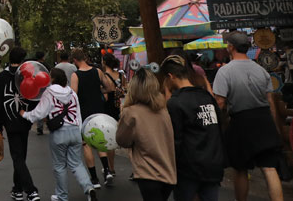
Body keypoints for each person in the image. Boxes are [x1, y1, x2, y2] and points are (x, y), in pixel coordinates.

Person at [212, 31, 284, 201]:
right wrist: (275, 126)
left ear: (231, 47)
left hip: (241, 122)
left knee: (241, 168)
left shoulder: (225, 72)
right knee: (269, 168)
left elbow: (220, 102)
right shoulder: (261, 70)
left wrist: (216, 125)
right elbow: (271, 102)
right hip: (264, 120)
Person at [21, 67, 98, 201]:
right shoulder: (72, 93)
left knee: (60, 166)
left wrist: (25, 114)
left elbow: (40, 112)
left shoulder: (49, 93)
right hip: (75, 131)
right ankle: (88, 188)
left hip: (59, 133)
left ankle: (62, 195)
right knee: (77, 164)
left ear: (53, 79)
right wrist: (80, 132)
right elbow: (78, 114)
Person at [160, 55, 224, 201]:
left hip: (188, 169)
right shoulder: (207, 97)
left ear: (171, 77)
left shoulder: (175, 103)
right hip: (213, 164)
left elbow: (176, 139)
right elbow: (219, 129)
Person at [115, 69, 177, 201]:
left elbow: (122, 140)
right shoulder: (163, 110)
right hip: (168, 172)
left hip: (148, 172)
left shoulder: (131, 112)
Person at [0, 46, 41, 201]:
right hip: (25, 120)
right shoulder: (27, 75)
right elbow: (34, 97)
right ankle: (18, 189)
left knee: (18, 157)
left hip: (10, 121)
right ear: (22, 60)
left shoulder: (2, 77)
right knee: (20, 157)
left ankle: (30, 190)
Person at [70, 49, 115, 188]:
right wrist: (98, 90)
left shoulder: (75, 75)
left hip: (84, 112)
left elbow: (74, 96)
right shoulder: (98, 71)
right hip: (98, 109)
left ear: (75, 61)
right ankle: (107, 170)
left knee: (87, 144)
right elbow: (109, 87)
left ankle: (94, 179)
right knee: (99, 140)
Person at [101, 53, 126, 120]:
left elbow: (105, 97)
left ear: (104, 62)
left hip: (109, 106)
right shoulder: (121, 75)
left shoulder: (104, 77)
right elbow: (124, 88)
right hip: (120, 105)